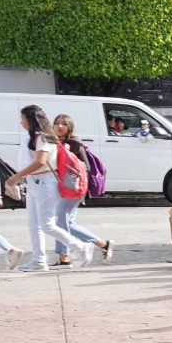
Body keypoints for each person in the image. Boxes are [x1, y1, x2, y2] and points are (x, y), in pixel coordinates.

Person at [9, 105, 85, 272]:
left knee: (47, 225)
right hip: (34, 183)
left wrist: (17, 176)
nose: (20, 122)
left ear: (30, 119)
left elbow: (40, 162)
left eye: (22, 118)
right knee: (33, 225)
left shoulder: (43, 137)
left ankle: (81, 247)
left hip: (45, 183)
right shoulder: (30, 136)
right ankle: (39, 261)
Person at [50, 114, 111, 266]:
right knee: (66, 223)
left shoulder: (74, 143)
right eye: (57, 123)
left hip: (73, 187)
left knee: (60, 221)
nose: (59, 126)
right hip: (63, 187)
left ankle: (64, 256)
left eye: (63, 124)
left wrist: (68, 165)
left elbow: (86, 166)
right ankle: (102, 244)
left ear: (69, 126)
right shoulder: (56, 142)